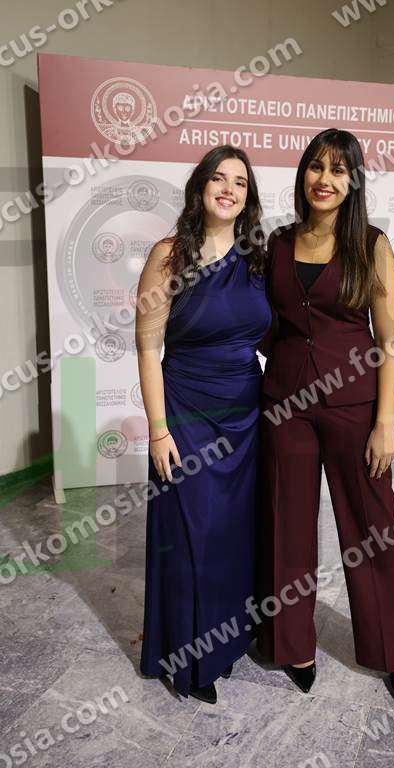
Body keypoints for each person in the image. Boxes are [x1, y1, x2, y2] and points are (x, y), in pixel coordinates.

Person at [257, 128, 394, 703]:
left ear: (353, 182)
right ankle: (292, 644)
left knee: (373, 527)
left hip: (355, 407)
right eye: (316, 167)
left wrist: (384, 423)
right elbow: (263, 322)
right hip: (285, 408)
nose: (324, 179)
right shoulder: (277, 243)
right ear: (302, 173)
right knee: (286, 525)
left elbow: (389, 341)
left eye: (338, 170)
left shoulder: (372, 245)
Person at [136, 145, 272, 704]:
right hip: (186, 412)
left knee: (232, 536)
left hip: (246, 416)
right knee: (191, 533)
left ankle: (228, 641)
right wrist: (158, 430)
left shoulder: (258, 258)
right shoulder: (168, 255)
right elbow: (148, 348)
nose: (228, 189)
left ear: (248, 197)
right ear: (200, 187)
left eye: (239, 182)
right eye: (218, 178)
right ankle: (189, 659)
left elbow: (271, 337)